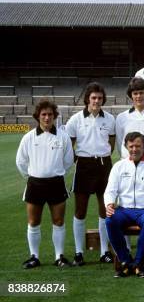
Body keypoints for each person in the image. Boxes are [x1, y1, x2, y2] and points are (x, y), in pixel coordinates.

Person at [17, 99, 74, 269]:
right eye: (44, 114)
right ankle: (34, 256)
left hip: (56, 183)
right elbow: (21, 161)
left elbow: (68, 161)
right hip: (35, 184)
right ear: (38, 117)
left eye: (50, 114)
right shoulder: (29, 137)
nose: (47, 117)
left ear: (55, 116)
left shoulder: (63, 137)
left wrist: (54, 172)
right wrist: (34, 175)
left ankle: (59, 256)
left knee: (58, 221)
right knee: (33, 221)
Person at [65, 82, 116, 266]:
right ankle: (79, 252)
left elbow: (112, 142)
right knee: (80, 210)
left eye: (100, 98)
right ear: (87, 99)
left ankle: (104, 251)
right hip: (84, 165)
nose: (96, 101)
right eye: (93, 98)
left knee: (105, 210)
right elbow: (69, 145)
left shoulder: (110, 119)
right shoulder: (75, 120)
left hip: (104, 165)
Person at [104, 132, 144, 278]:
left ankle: (139, 263)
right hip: (124, 209)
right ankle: (125, 262)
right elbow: (110, 190)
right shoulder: (119, 166)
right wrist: (109, 204)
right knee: (110, 220)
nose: (134, 149)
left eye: (138, 146)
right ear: (126, 147)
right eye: (131, 146)